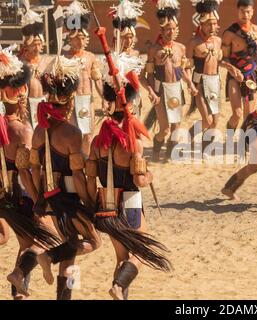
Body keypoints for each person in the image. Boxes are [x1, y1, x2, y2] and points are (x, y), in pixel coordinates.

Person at [7, 56, 102, 300]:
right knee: (93, 241)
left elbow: (33, 170)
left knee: (70, 251)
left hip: (48, 198)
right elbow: (79, 177)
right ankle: (48, 257)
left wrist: (40, 198)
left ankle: (49, 285)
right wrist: (89, 202)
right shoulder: (72, 133)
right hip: (69, 199)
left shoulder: (39, 131)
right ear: (70, 102)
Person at [88, 50, 171, 300]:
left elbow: (90, 176)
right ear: (130, 103)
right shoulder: (133, 143)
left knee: (122, 258)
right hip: (130, 203)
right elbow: (138, 181)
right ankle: (117, 287)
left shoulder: (96, 142)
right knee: (140, 253)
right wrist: (151, 176)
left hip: (106, 204)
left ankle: (120, 292)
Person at [0, 44, 60, 300]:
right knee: (52, 238)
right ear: (21, 96)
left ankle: (19, 293)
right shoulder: (21, 130)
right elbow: (26, 172)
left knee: (26, 244)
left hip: (4, 193)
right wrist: (38, 198)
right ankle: (18, 277)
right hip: (21, 193)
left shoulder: (4, 126)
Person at [144, 0, 198, 162]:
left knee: (176, 127)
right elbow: (149, 75)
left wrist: (190, 84)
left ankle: (168, 155)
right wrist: (152, 92)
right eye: (167, 29)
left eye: (173, 29)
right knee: (165, 129)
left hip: (177, 90)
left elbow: (181, 70)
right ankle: (156, 145)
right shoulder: (154, 49)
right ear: (161, 30)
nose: (171, 32)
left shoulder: (180, 48)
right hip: (161, 92)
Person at [187, 0, 242, 153]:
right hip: (199, 84)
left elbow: (219, 61)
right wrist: (190, 85)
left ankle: (205, 148)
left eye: (215, 24)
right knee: (207, 120)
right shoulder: (194, 43)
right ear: (201, 24)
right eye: (208, 24)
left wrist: (231, 67)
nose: (212, 28)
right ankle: (190, 135)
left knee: (215, 121)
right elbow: (186, 68)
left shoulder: (218, 41)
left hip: (215, 83)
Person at [63, 0, 104, 156]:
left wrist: (104, 98)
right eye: (76, 38)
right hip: (72, 101)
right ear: (70, 39)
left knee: (88, 135)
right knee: (75, 135)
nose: (80, 41)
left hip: (88, 100)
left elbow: (97, 80)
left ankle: (86, 163)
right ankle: (75, 164)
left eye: (82, 38)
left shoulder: (91, 57)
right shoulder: (64, 58)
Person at [222, 0, 257, 133]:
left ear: (252, 12)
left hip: (251, 75)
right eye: (242, 11)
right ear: (238, 11)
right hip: (234, 76)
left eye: (248, 11)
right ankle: (230, 137)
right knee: (237, 114)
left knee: (249, 115)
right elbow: (224, 57)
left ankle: (244, 143)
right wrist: (233, 70)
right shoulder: (230, 33)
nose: (245, 14)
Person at [18, 2, 53, 128]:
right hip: (27, 106)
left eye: (39, 44)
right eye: (34, 44)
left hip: (45, 104)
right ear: (27, 45)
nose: (37, 48)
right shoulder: (20, 64)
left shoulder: (48, 61)